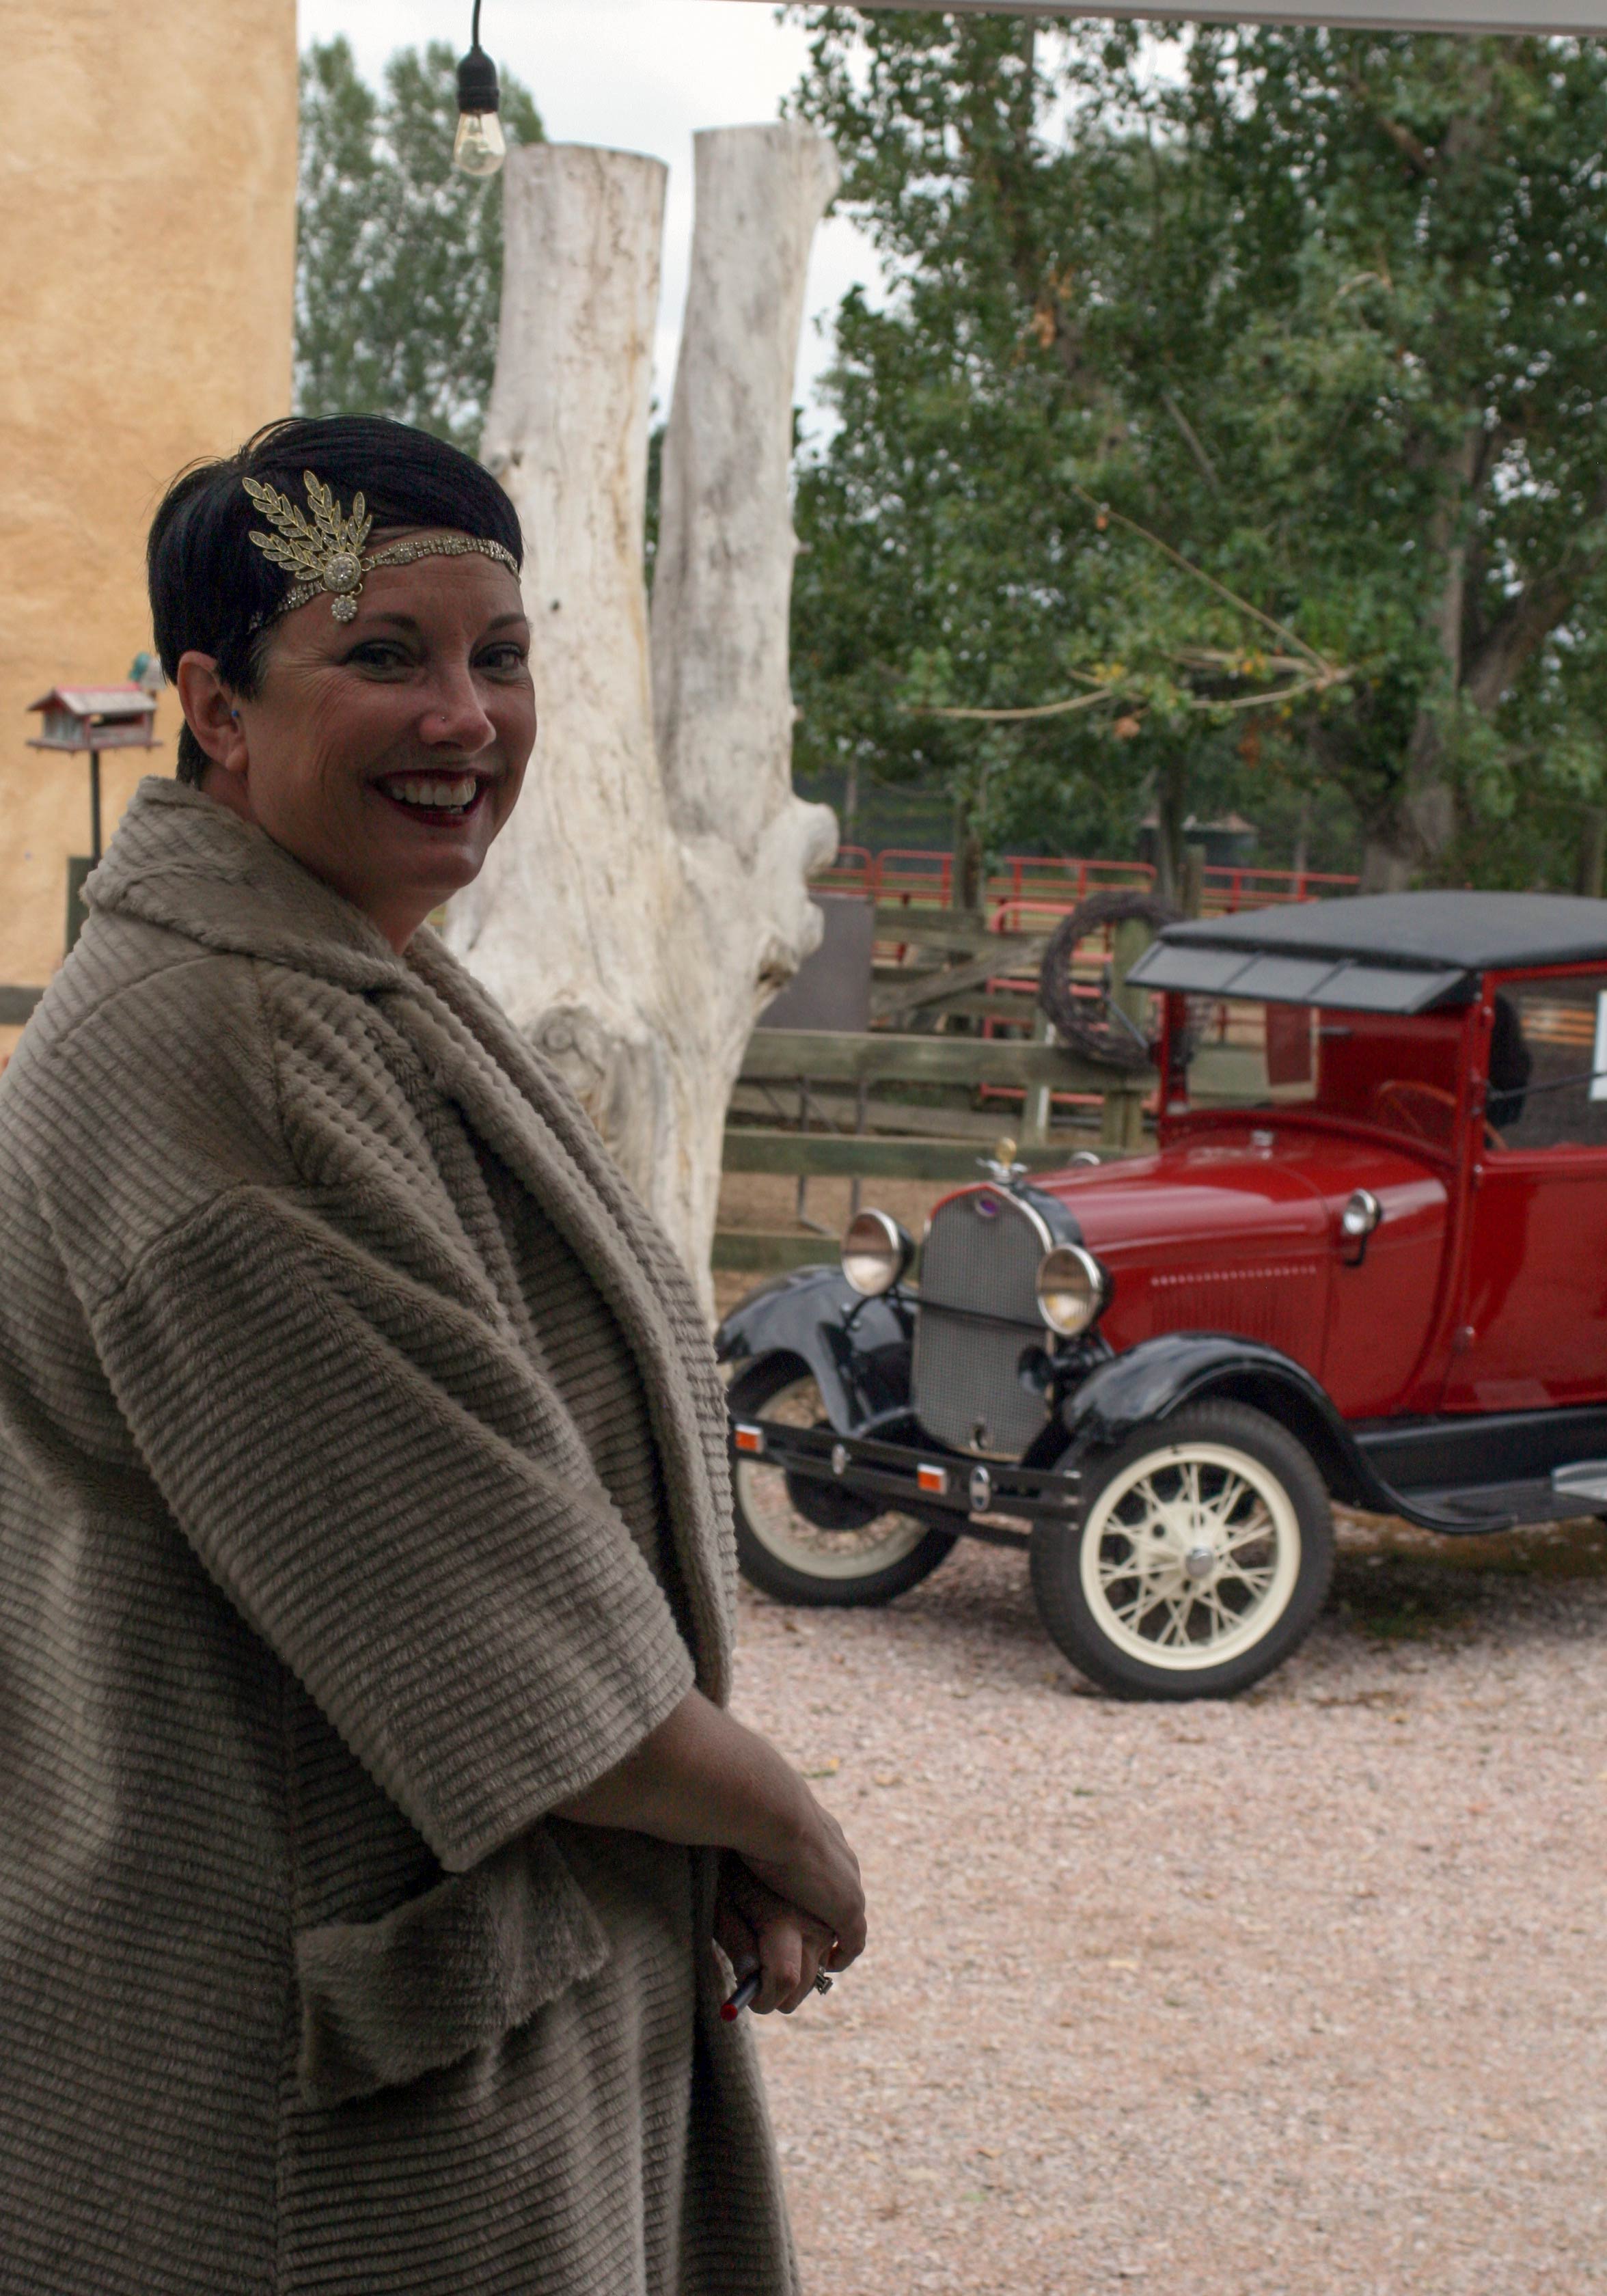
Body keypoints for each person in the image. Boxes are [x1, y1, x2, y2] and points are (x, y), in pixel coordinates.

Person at [0, 414, 865, 2295]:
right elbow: (477, 1619)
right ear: (217, 709)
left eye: (502, 654)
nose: (465, 717)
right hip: (318, 2115)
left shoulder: (336, 971)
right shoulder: (230, 1060)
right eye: (385, 656)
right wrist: (781, 1824)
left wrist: (688, 1816)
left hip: (412, 1982)